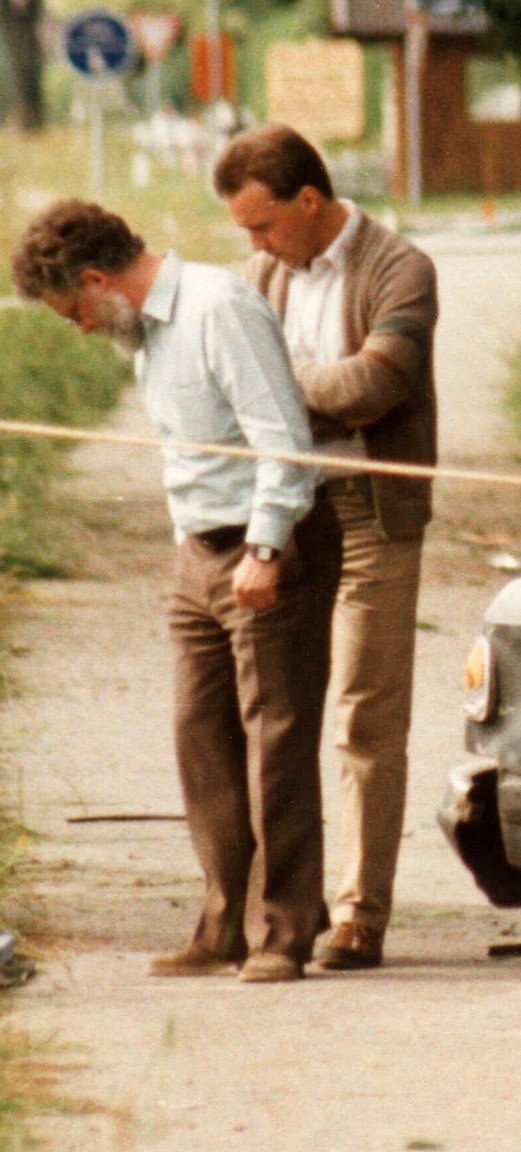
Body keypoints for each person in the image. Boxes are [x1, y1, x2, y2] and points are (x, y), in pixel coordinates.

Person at [11, 201, 341, 983]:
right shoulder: (146, 336)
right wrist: (189, 549)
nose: (82, 329)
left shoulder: (218, 308)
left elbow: (282, 439)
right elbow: (192, 457)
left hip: (267, 548)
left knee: (276, 742)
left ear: (97, 279)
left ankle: (285, 933)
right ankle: (223, 924)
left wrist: (264, 549)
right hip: (198, 555)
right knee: (201, 737)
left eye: (76, 313)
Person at [214, 125, 439, 971]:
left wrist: (275, 383)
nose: (254, 243)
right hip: (291, 507)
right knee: (281, 708)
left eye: (262, 224)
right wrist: (301, 388)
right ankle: (284, 911)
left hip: (376, 509)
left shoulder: (401, 268)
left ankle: (360, 914)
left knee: (364, 712)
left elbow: (377, 385)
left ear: (309, 201)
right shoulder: (262, 273)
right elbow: (283, 391)